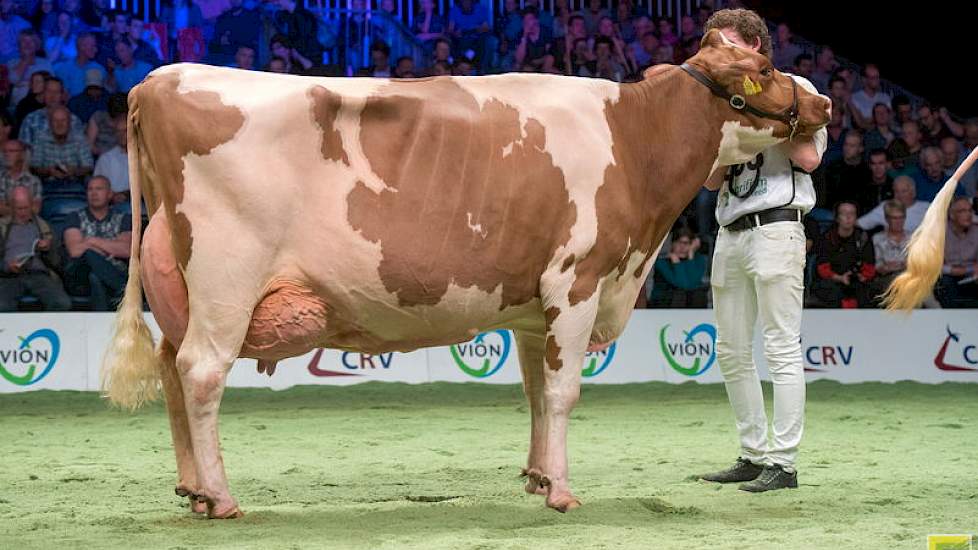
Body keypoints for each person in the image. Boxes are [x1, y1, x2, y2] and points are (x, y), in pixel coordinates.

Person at [696, 8, 828, 493]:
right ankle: (753, 454)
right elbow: (710, 178)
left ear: (755, 46)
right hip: (730, 230)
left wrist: (763, 114)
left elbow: (810, 158)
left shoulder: (795, 89)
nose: (722, 54)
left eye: (730, 44)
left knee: (780, 347)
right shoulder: (722, 96)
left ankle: (784, 462)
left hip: (777, 227)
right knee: (730, 350)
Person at [62, 175, 131, 310]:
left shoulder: (123, 219)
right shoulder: (74, 217)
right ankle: (123, 291)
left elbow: (126, 250)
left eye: (99, 189)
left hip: (112, 271)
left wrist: (91, 240)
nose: (94, 193)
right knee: (88, 254)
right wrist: (109, 248)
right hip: (79, 275)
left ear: (110, 194)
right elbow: (75, 251)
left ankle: (103, 316)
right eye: (90, 189)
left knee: (95, 277)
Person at [0, 185, 71, 311]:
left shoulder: (44, 227)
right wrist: (6, 266)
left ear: (32, 205)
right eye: (19, 209)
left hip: (39, 275)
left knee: (62, 302)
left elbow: (58, 262)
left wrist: (48, 250)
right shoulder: (2, 227)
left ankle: (48, 330)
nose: (23, 212)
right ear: (11, 207)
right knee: (2, 306)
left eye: (26, 208)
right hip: (8, 277)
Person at [812, 201, 876, 308]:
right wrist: (840, 278)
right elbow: (822, 267)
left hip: (857, 280)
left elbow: (869, 266)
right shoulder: (827, 237)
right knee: (828, 290)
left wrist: (861, 276)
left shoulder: (863, 237)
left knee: (869, 292)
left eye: (852, 214)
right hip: (833, 280)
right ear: (837, 217)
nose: (848, 217)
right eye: (844, 213)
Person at [649, 228, 707, 307]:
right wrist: (676, 263)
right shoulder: (662, 262)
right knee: (679, 294)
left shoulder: (698, 260)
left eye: (686, 243)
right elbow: (682, 285)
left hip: (687, 303)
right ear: (672, 243)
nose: (682, 247)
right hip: (664, 304)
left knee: (698, 294)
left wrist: (691, 255)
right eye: (679, 242)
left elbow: (693, 283)